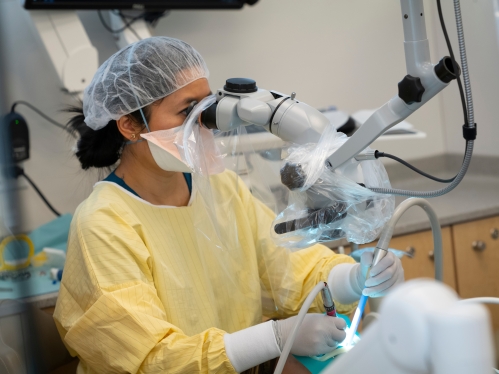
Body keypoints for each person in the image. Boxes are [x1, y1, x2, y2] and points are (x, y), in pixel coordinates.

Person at [54, 36, 404, 374]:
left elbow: (288, 269)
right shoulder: (103, 223)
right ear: (130, 125)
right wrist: (277, 337)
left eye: (206, 108)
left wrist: (352, 280)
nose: (204, 123)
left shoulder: (218, 187)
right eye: (186, 111)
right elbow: (153, 360)